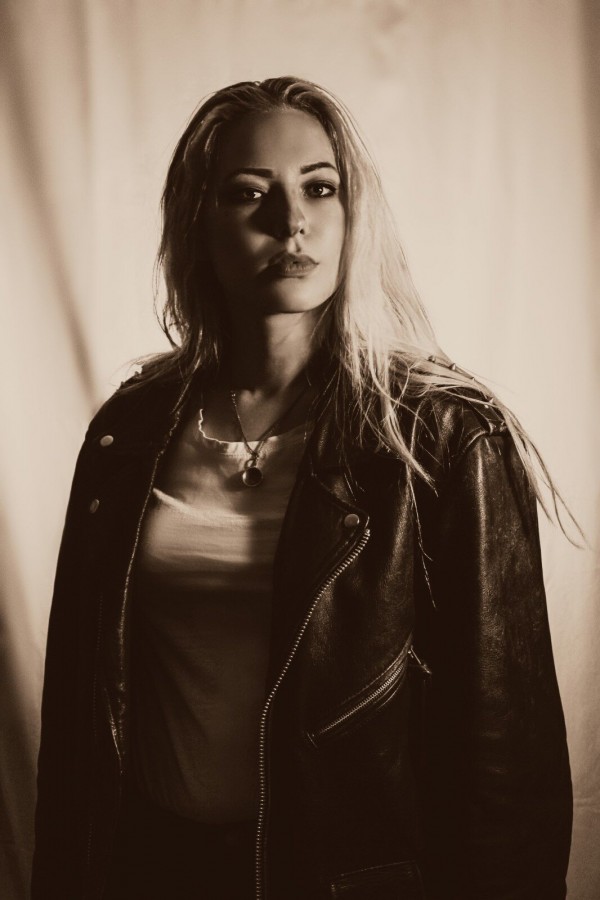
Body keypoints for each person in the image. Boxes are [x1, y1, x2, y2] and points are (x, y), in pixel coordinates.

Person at [31, 77, 573, 900]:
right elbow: (79, 716)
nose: (291, 221)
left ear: (357, 215)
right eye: (249, 193)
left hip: (341, 879)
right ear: (198, 221)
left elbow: (506, 750)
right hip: (150, 865)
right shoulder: (130, 430)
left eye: (321, 188)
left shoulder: (442, 434)